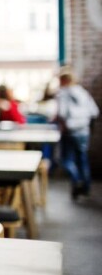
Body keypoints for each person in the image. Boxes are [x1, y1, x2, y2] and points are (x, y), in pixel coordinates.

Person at [56, 71, 99, 199]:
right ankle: (85, 186)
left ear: (63, 80)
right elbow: (94, 112)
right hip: (83, 131)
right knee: (82, 159)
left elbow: (62, 113)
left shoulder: (63, 93)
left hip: (69, 131)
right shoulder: (82, 92)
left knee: (66, 159)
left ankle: (76, 181)